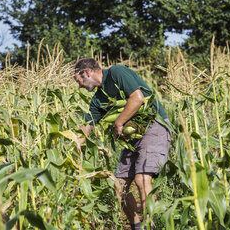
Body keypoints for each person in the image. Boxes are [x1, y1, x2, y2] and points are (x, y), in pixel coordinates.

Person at [73, 58, 171, 230]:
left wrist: (119, 123)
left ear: (87, 72)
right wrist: (73, 146)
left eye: (79, 81)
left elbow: (137, 97)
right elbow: (87, 126)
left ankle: (152, 226)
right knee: (119, 185)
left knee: (141, 179)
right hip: (132, 138)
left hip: (154, 125)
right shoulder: (98, 99)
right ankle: (136, 227)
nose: (79, 86)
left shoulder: (116, 72)